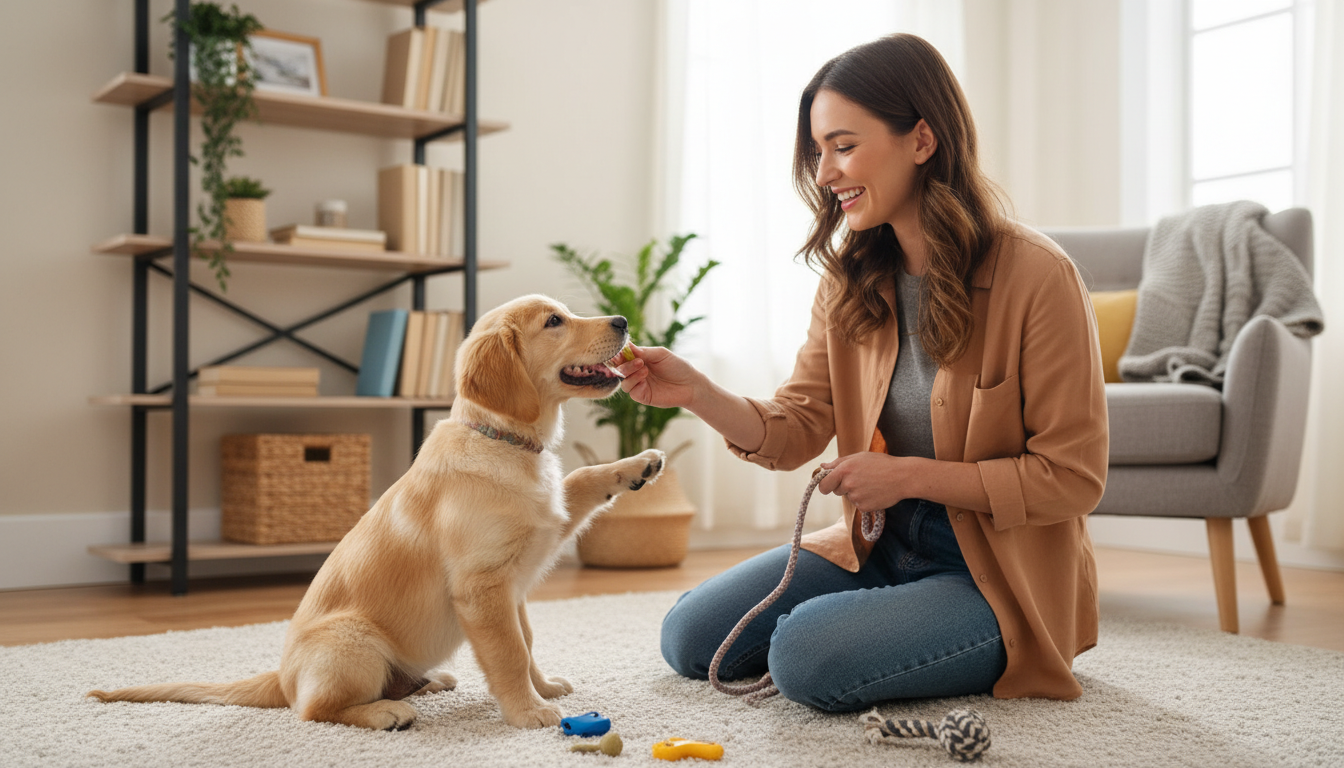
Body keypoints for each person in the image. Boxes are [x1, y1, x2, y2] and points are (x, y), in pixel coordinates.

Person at [609, 33, 1108, 711]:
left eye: (843, 146)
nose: (824, 173)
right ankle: (891, 620)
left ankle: (962, 636)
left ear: (922, 140)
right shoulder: (850, 281)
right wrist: (698, 393)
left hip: (995, 573)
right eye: (818, 153)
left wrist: (907, 477)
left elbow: (1073, 478)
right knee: (689, 635)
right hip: (875, 544)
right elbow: (794, 429)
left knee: (804, 655)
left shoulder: (1037, 276)